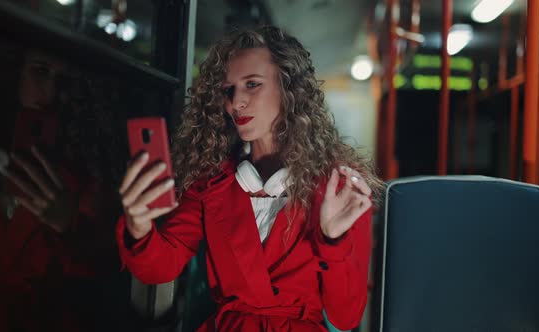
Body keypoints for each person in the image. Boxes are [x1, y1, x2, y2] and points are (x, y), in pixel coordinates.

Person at [117, 26, 383, 331]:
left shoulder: (340, 188)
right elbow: (160, 266)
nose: (236, 102)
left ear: (289, 89)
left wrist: (332, 241)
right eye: (228, 90)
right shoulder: (210, 182)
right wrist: (138, 228)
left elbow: (346, 317)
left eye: (252, 84)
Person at [0, 46, 122, 332]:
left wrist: (70, 224)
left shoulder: (89, 181)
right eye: (40, 71)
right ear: (16, 74)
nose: (51, 92)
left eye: (65, 81)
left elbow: (100, 285)